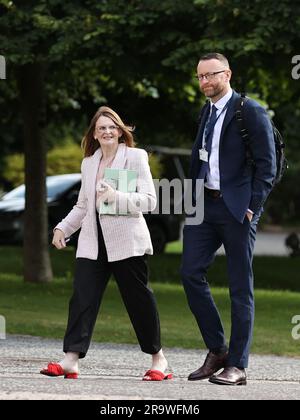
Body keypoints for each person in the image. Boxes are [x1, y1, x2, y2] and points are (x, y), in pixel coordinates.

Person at [40, 106, 172, 381]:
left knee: (138, 301)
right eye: (102, 128)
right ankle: (71, 360)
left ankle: (158, 359)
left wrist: (115, 196)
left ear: (121, 131)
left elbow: (149, 201)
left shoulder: (135, 157)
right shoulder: (89, 162)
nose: (107, 131)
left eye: (112, 127)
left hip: (127, 243)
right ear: (95, 134)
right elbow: (83, 205)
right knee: (82, 299)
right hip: (92, 243)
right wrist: (62, 228)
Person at [181, 53, 276, 385]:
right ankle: (218, 349)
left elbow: (268, 166)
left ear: (228, 74)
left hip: (238, 209)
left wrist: (253, 207)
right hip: (204, 207)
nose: (205, 81)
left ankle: (237, 364)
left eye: (211, 75)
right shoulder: (205, 112)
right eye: (200, 77)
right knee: (190, 273)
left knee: (240, 287)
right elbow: (200, 158)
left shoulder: (249, 110)